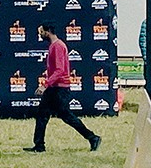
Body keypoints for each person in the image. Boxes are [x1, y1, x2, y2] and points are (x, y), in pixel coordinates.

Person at [27, 22, 100, 153]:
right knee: (42, 115)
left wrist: (45, 85)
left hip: (59, 88)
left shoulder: (58, 46)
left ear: (48, 31)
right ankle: (39, 145)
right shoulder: (54, 46)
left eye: (41, 32)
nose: (40, 35)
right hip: (54, 87)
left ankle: (92, 137)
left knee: (66, 116)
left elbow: (60, 70)